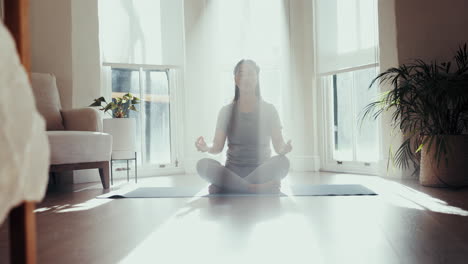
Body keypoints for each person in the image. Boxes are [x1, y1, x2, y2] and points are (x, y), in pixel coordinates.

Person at [195, 59, 292, 194]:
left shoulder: (270, 110)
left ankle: (227, 187)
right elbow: (217, 147)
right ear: (235, 79)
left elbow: (278, 145)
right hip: (232, 171)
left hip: (261, 170)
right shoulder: (226, 111)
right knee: (202, 165)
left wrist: (284, 149)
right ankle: (253, 188)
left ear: (257, 78)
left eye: (250, 74)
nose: (246, 78)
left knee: (283, 163)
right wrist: (206, 147)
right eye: (241, 74)